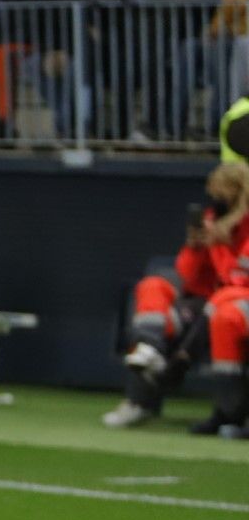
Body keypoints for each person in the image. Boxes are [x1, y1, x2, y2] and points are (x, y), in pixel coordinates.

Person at [104, 161, 249, 431]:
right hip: (203, 303)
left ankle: (222, 406)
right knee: (152, 287)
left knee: (224, 309)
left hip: (233, 303)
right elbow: (188, 276)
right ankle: (148, 359)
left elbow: (239, 278)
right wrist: (195, 246)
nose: (216, 201)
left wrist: (223, 243)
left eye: (223, 195)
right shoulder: (211, 220)